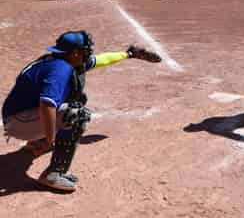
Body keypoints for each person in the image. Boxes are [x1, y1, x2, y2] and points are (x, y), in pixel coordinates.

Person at [2, 31, 161, 192]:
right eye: (86, 50)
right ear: (75, 53)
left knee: (77, 98)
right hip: (18, 122)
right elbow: (46, 105)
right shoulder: (60, 69)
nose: (89, 54)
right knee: (77, 116)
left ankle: (36, 140)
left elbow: (101, 60)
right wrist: (49, 141)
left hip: (21, 115)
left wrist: (129, 54)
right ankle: (53, 173)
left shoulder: (63, 59)